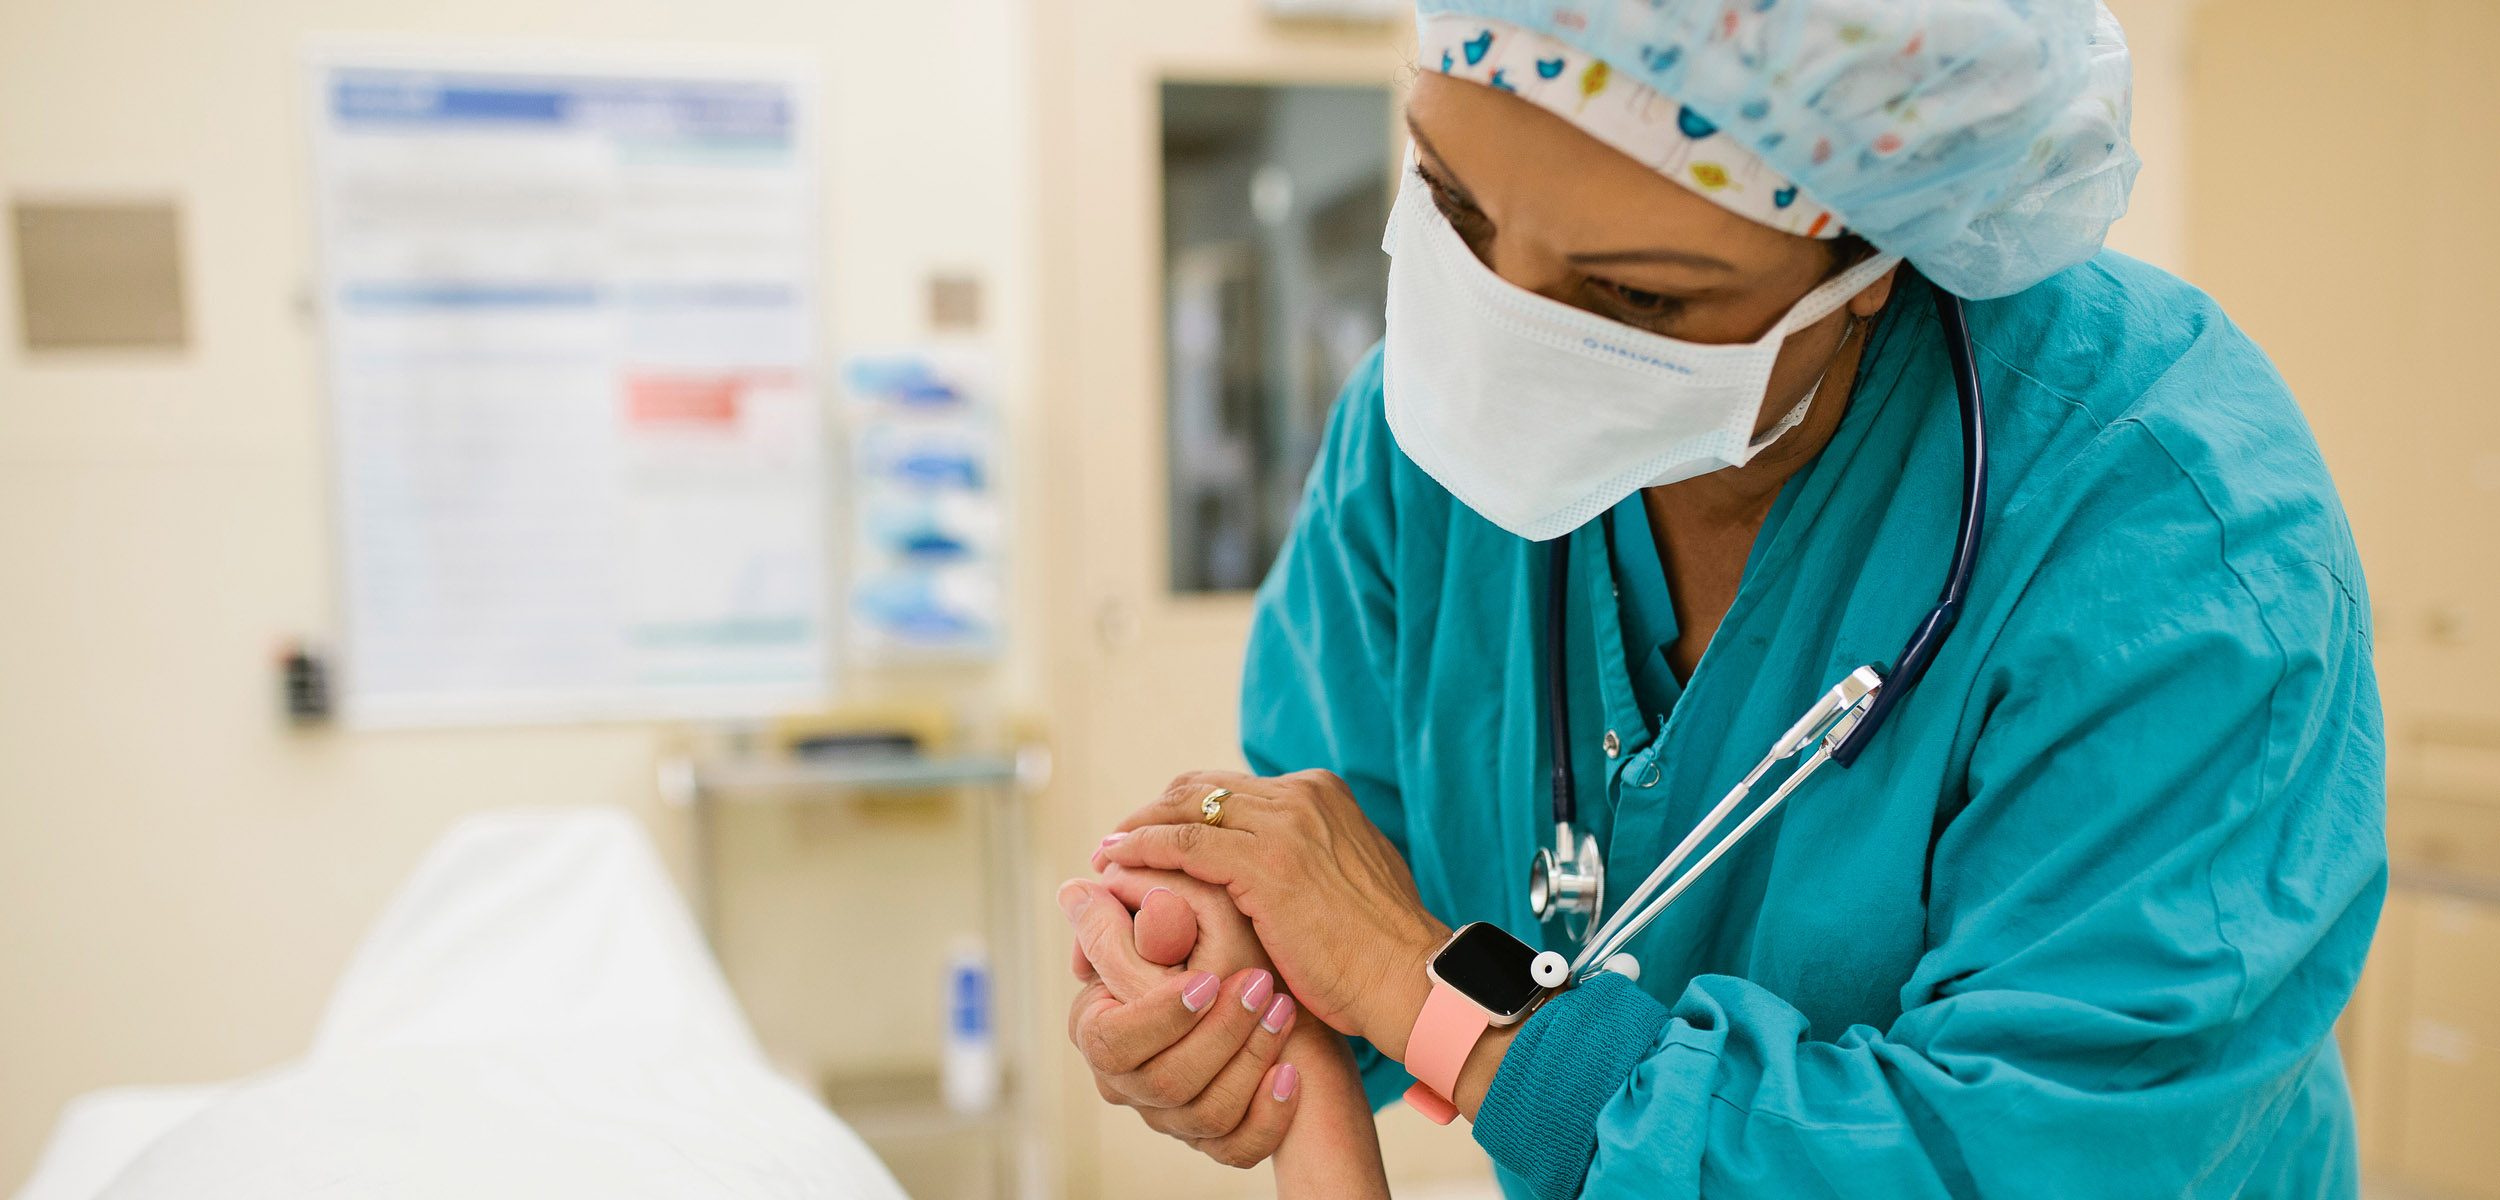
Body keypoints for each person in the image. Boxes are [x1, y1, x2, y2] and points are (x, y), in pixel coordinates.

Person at [1065, 1, 2387, 1195]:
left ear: (1882, 258)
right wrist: (1242, 977)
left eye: (1639, 294)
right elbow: (1353, 886)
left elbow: (2040, 1152)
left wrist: (1442, 1000)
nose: (1500, 352)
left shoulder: (2167, 529)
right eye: (1455, 208)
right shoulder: (1422, 450)